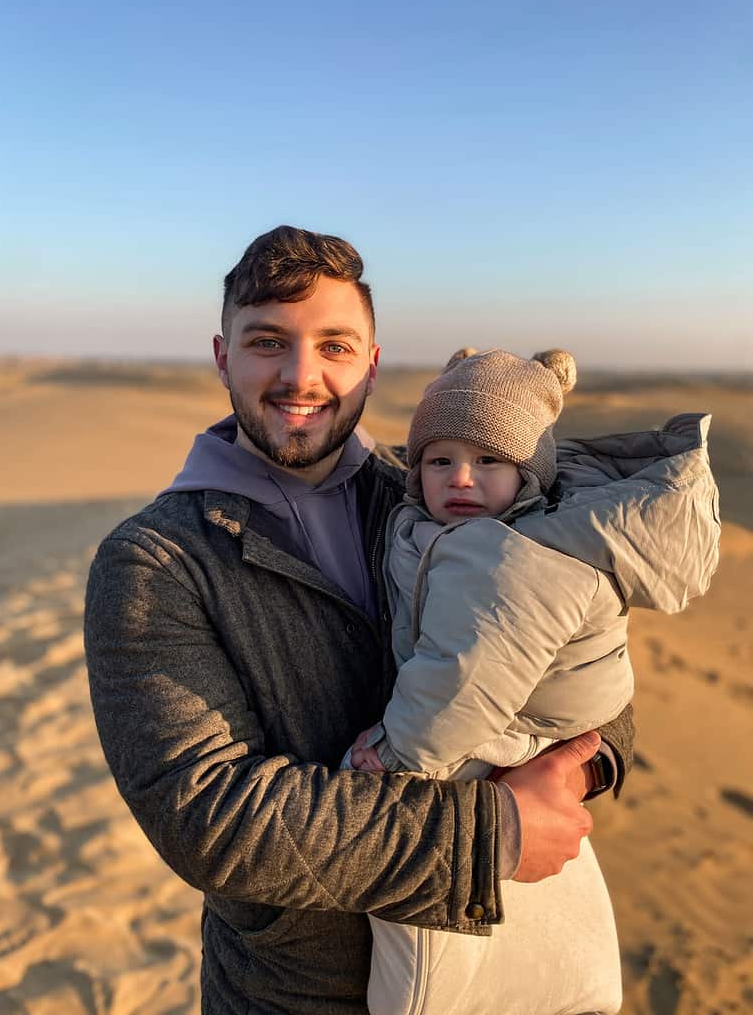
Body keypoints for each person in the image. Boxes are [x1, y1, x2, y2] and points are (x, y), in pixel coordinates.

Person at [84, 226, 635, 1015]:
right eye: (268, 341)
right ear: (221, 356)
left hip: (493, 972)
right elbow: (209, 816)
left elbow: (597, 670)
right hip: (298, 993)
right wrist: (494, 835)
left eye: (335, 346)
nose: (302, 376)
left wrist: (577, 769)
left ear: (371, 364)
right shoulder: (156, 561)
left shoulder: (446, 495)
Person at [345, 347, 719, 1015]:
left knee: (423, 958)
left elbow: (465, 680)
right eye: (440, 460)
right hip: (518, 730)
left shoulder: (515, 558)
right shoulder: (467, 531)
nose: (462, 478)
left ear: (531, 474)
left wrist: (392, 756)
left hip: (515, 734)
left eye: (489, 461)